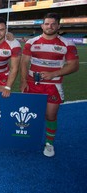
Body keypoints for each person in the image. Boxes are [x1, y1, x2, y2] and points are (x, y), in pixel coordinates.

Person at [20, 13, 79, 157]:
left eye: (53, 24)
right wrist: (23, 81)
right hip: (32, 84)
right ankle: (28, 139)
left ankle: (49, 143)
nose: (49, 26)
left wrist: (53, 74)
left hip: (53, 85)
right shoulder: (32, 42)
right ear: (42, 26)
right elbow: (24, 62)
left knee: (50, 115)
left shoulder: (67, 44)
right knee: (29, 113)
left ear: (58, 26)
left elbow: (74, 65)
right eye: (47, 24)